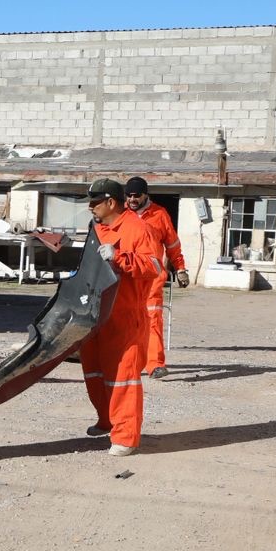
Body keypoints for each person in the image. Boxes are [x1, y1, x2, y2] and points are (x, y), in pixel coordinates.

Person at [79, 178, 165, 456]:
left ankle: (126, 437)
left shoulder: (138, 229)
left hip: (124, 316)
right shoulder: (97, 228)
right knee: (95, 372)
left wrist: (120, 257)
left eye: (95, 202)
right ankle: (107, 421)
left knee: (122, 378)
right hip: (96, 313)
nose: (90, 207)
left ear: (110, 202)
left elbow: (153, 266)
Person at [124, 176, 189, 379]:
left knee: (152, 320)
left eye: (136, 195)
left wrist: (180, 269)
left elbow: (172, 245)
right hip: (125, 278)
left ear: (145, 195)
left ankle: (155, 364)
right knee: (125, 322)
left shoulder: (159, 215)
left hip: (152, 279)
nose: (132, 199)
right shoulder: (120, 214)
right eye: (129, 195)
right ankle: (128, 363)